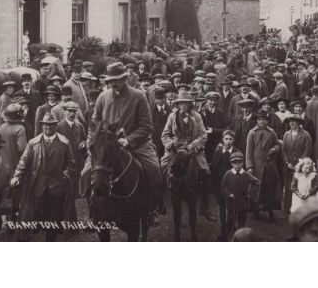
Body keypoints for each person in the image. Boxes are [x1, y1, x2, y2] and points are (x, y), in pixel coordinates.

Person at [93, 62, 162, 216]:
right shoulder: (102, 97)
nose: (113, 83)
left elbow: (146, 126)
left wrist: (129, 139)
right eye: (110, 80)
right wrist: (99, 139)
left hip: (136, 145)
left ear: (125, 78)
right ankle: (94, 208)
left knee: (155, 170)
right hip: (108, 146)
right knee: (88, 173)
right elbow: (95, 123)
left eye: (117, 79)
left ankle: (151, 209)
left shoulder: (139, 96)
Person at [10, 112, 76, 241]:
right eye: (46, 125)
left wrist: (65, 175)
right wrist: (17, 176)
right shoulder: (33, 143)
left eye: (51, 125)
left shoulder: (64, 142)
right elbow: (24, 161)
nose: (48, 128)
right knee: (35, 215)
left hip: (57, 186)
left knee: (54, 215)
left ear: (55, 125)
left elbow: (71, 163)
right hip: (38, 185)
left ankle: (50, 239)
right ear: (42, 126)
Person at [161, 90, 213, 221]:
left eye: (186, 103)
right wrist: (172, 144)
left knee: (206, 172)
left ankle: (205, 207)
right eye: (181, 103)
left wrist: (192, 145)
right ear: (177, 104)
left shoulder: (197, 116)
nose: (183, 105)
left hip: (192, 150)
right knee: (161, 168)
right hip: (175, 149)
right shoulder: (172, 116)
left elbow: (203, 135)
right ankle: (159, 204)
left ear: (190, 104)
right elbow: (165, 135)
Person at [245, 110, 282, 220]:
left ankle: (270, 211)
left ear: (267, 121)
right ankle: (256, 211)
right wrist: (249, 166)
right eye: (259, 119)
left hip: (269, 164)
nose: (262, 122)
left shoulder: (271, 132)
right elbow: (248, 150)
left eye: (264, 120)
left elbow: (277, 144)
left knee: (269, 188)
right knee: (256, 188)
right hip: (257, 164)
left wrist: (274, 149)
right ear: (257, 120)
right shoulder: (252, 132)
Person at [0, 103, 27, 220]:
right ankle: (14, 219)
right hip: (15, 164)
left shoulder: (2, 127)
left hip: (2, 164)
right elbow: (22, 149)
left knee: (5, 192)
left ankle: (6, 220)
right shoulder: (20, 129)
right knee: (16, 192)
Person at [221, 152, 259, 238]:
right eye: (235, 162)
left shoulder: (246, 174)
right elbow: (223, 186)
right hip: (231, 203)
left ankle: (240, 237)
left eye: (239, 162)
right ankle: (229, 236)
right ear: (231, 163)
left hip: (243, 203)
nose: (237, 165)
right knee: (230, 221)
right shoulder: (228, 174)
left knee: (242, 221)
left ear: (243, 163)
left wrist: (249, 193)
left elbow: (256, 183)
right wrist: (229, 194)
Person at [211, 130, 240, 241]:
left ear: (233, 140)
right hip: (220, 186)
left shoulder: (236, 153)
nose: (228, 141)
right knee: (222, 209)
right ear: (223, 140)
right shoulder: (218, 151)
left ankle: (231, 230)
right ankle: (224, 232)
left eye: (230, 139)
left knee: (231, 210)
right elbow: (214, 167)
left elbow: (239, 170)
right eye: (226, 139)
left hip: (232, 186)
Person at [282, 114, 312, 213]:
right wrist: (287, 162)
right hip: (289, 167)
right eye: (290, 121)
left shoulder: (305, 135)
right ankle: (287, 210)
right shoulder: (286, 134)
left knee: (300, 188)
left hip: (301, 167)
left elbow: (308, 150)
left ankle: (299, 211)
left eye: (294, 121)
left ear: (299, 123)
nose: (292, 123)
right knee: (289, 187)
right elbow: (284, 150)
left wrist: (300, 163)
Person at [56, 101, 86, 200]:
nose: (72, 114)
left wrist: (83, 144)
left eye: (74, 111)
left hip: (78, 161)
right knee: (66, 187)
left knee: (78, 188)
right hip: (65, 163)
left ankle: (80, 211)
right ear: (65, 112)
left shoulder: (79, 126)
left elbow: (84, 139)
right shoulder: (59, 127)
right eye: (69, 111)